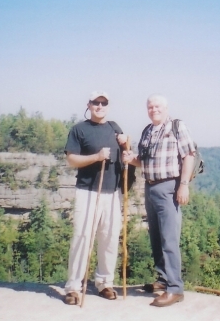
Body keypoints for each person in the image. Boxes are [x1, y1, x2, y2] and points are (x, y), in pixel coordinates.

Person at [122, 94, 196, 307]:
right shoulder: (147, 131)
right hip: (150, 187)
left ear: (166, 108)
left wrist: (183, 185)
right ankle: (163, 280)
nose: (154, 110)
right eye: (150, 107)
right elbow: (143, 161)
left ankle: (175, 289)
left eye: (157, 106)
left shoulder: (176, 126)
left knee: (169, 239)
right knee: (156, 237)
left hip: (169, 187)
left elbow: (188, 155)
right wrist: (131, 159)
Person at [63, 91, 127, 305]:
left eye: (104, 103)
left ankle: (105, 283)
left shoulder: (115, 127)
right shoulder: (79, 130)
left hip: (112, 192)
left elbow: (126, 154)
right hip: (88, 191)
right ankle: (73, 287)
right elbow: (71, 160)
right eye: (96, 102)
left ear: (108, 106)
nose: (100, 106)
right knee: (82, 237)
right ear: (89, 105)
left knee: (109, 238)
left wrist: (126, 145)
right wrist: (96, 157)